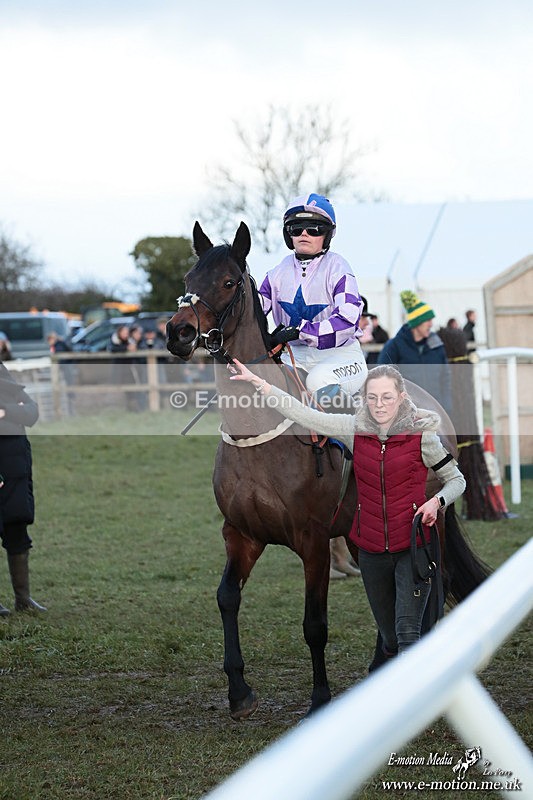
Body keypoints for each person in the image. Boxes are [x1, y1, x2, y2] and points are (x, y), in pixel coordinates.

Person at [228, 360, 465, 660]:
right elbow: (302, 413)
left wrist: (437, 501)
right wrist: (259, 383)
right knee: (390, 639)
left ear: (401, 397)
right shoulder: (353, 429)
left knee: (407, 636)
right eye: (372, 397)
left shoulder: (423, 437)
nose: (379, 405)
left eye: (387, 397)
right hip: (371, 553)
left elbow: (456, 480)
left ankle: (419, 697)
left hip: (412, 547)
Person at [259, 193, 368, 407]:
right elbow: (253, 311)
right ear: (287, 234)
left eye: (314, 228)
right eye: (296, 228)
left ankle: (349, 438)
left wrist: (301, 330)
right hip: (294, 357)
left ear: (327, 235)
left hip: (342, 357)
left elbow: (347, 322)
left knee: (318, 381)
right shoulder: (276, 274)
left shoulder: (338, 268)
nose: (304, 234)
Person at [0, 362, 46, 615]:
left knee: (18, 533)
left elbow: (32, 413)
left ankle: (23, 599)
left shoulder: (7, 382)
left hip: (16, 472)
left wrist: (5, 412)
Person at [377, 290, 452, 418]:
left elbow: (445, 378)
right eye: (427, 320)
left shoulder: (436, 345)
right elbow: (381, 379)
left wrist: (446, 407)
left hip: (435, 411)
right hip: (406, 415)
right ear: (417, 322)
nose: (431, 324)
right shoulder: (394, 346)